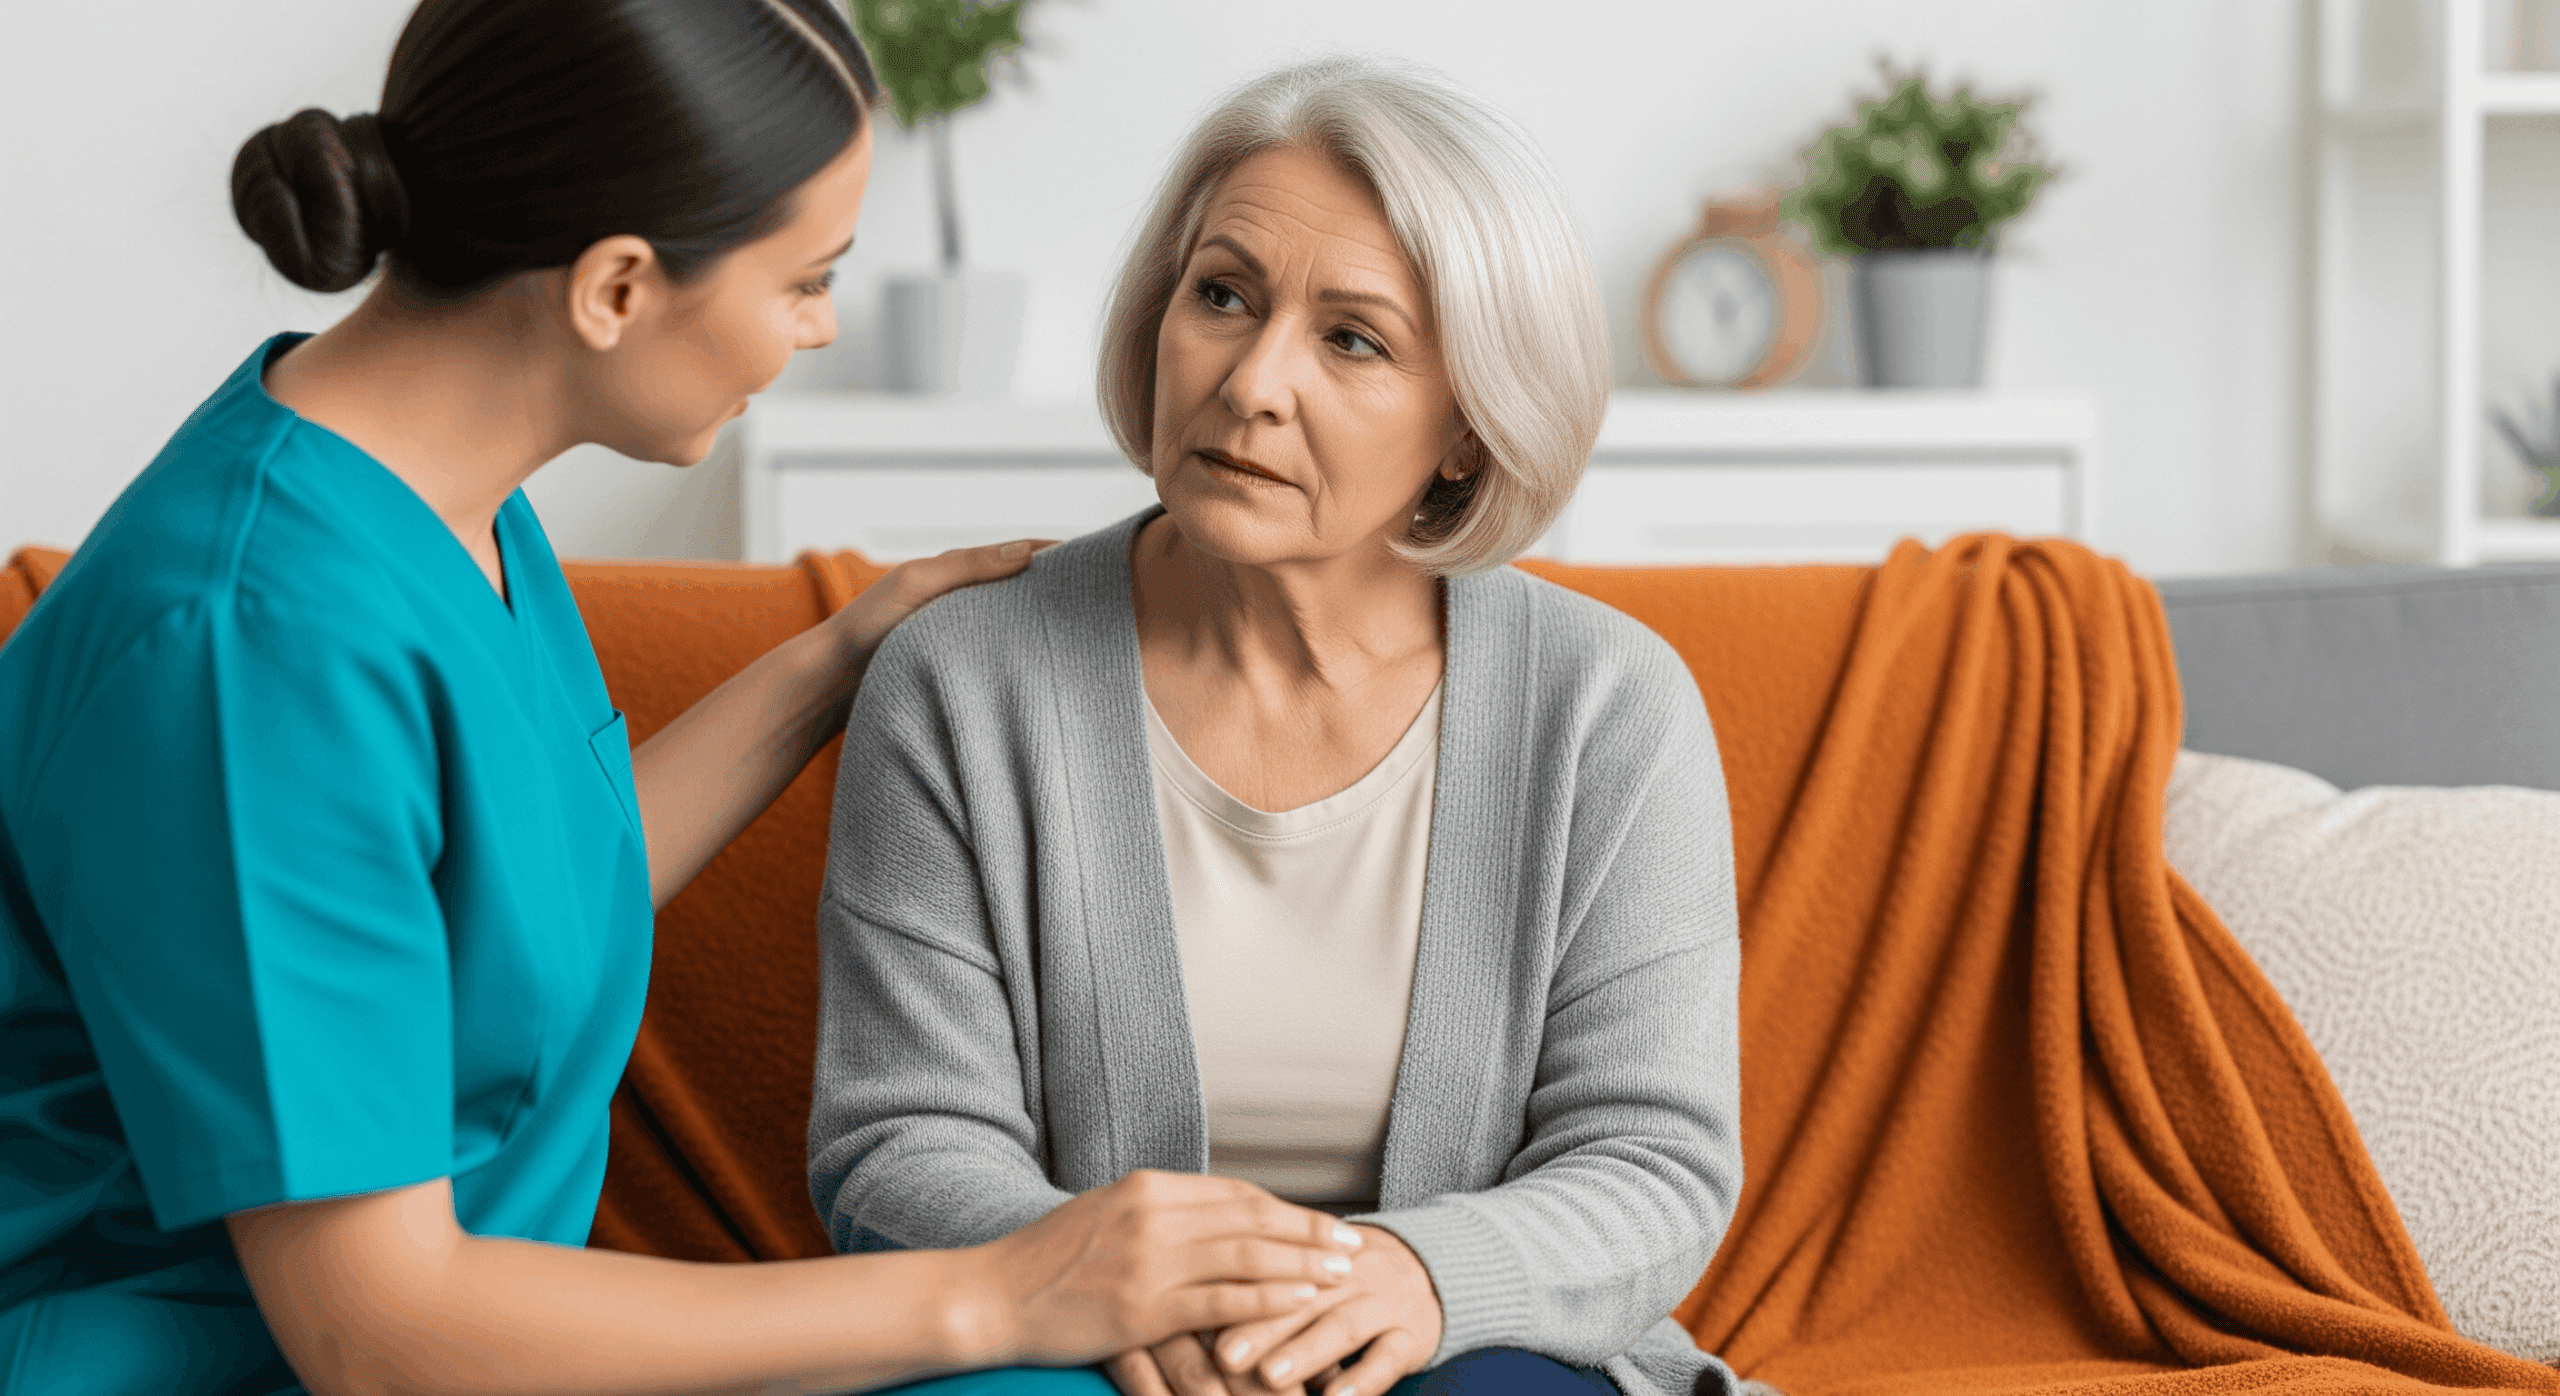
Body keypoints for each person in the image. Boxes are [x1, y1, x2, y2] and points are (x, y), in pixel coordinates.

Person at [0, 4, 1361, 1394]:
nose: (822, 328)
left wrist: (840, 656)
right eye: (805, 278)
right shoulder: (254, 648)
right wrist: (995, 1294)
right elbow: (376, 1333)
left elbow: (515, 908)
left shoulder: (433, 497)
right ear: (616, 289)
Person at [811, 56, 1745, 1396]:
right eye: (1223, 295)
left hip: (1461, 1341)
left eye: (1351, 339)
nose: (1252, 381)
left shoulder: (1611, 703)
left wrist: (1418, 1280)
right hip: (1081, 1348)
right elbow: (895, 1147)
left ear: (1467, 431)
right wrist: (1123, 1294)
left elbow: (1653, 1161)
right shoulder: (962, 679)